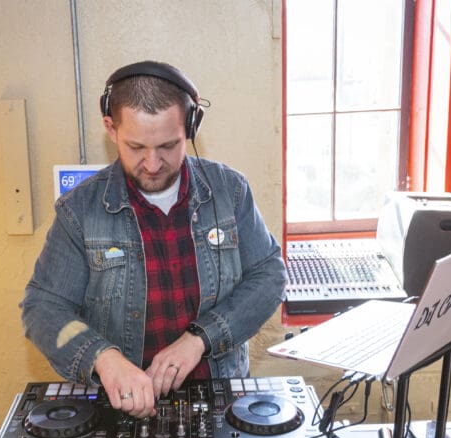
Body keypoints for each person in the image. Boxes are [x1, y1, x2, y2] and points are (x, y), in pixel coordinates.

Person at [21, 61, 286, 419]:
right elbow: (43, 308)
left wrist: (201, 338)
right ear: (111, 128)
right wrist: (103, 358)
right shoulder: (79, 211)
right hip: (121, 407)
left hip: (219, 400)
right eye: (135, 147)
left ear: (190, 127)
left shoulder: (230, 191)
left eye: (167, 146)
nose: (152, 163)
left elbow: (269, 276)